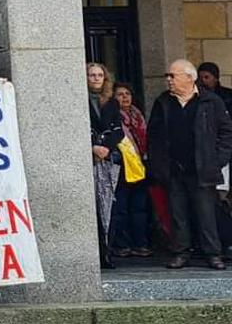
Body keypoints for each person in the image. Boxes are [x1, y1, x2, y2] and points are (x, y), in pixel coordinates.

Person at [148, 59, 232, 270]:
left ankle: (213, 254)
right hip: (174, 169)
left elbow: (226, 133)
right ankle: (181, 252)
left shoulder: (210, 101)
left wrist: (217, 160)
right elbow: (154, 136)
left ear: (189, 77)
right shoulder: (163, 102)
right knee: (178, 214)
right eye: (168, 76)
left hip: (202, 168)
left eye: (172, 76)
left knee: (206, 213)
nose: (168, 80)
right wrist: (160, 165)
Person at [109, 82, 152, 258]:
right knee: (121, 208)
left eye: (127, 93)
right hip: (122, 165)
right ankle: (122, 244)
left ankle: (140, 243)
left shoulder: (137, 115)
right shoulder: (112, 115)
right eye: (120, 94)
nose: (125, 97)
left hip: (140, 165)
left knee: (139, 208)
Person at [88, 62, 123, 269]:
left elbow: (118, 130)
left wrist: (106, 148)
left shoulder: (111, 102)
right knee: (92, 207)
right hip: (88, 158)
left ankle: (108, 252)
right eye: (91, 75)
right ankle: (97, 253)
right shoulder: (79, 100)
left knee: (108, 206)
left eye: (99, 74)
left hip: (108, 159)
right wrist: (92, 147)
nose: (96, 78)